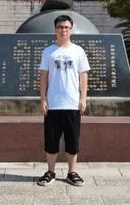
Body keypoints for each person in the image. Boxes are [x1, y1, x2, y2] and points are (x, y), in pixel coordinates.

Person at [37, 14, 90, 187]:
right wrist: (43, 99)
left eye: (66, 27)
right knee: (51, 140)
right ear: (55, 29)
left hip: (72, 103)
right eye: (60, 27)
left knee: (72, 139)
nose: (63, 30)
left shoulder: (78, 51)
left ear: (71, 30)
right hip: (53, 104)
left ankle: (71, 172)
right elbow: (43, 76)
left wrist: (83, 98)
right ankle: (50, 172)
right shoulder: (48, 52)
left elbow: (83, 75)